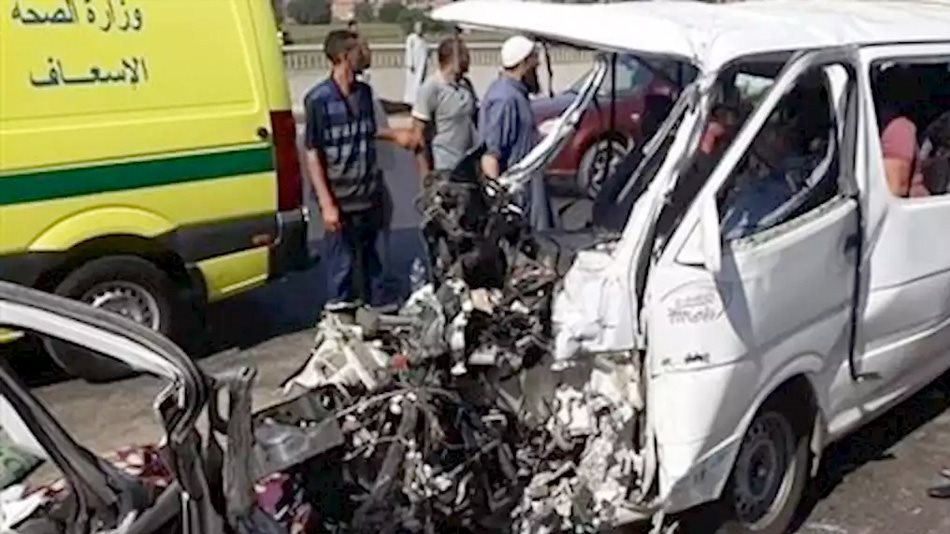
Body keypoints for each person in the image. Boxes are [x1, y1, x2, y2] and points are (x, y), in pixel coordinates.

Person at [303, 30, 419, 311]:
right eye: (360, 50)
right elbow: (313, 152)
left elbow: (366, 131)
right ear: (344, 56)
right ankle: (342, 319)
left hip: (368, 196)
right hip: (339, 200)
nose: (366, 54)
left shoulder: (364, 94)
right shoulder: (318, 99)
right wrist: (327, 204)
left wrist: (395, 136)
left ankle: (376, 318)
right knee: (341, 269)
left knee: (373, 266)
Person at [479, 35, 552, 230]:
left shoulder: (516, 94)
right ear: (524, 64)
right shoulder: (505, 99)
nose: (537, 68)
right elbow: (490, 155)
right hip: (520, 201)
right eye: (534, 64)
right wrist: (499, 207)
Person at [412, 36, 478, 176]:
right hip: (444, 166)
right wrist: (425, 175)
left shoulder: (466, 85)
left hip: (468, 164)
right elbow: (418, 134)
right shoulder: (431, 87)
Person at [403, 21, 429, 105]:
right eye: (418, 28)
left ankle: (419, 99)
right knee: (412, 83)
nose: (420, 30)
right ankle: (410, 100)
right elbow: (409, 51)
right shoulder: (411, 38)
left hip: (422, 64)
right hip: (414, 65)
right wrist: (410, 63)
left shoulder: (423, 39)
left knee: (421, 82)